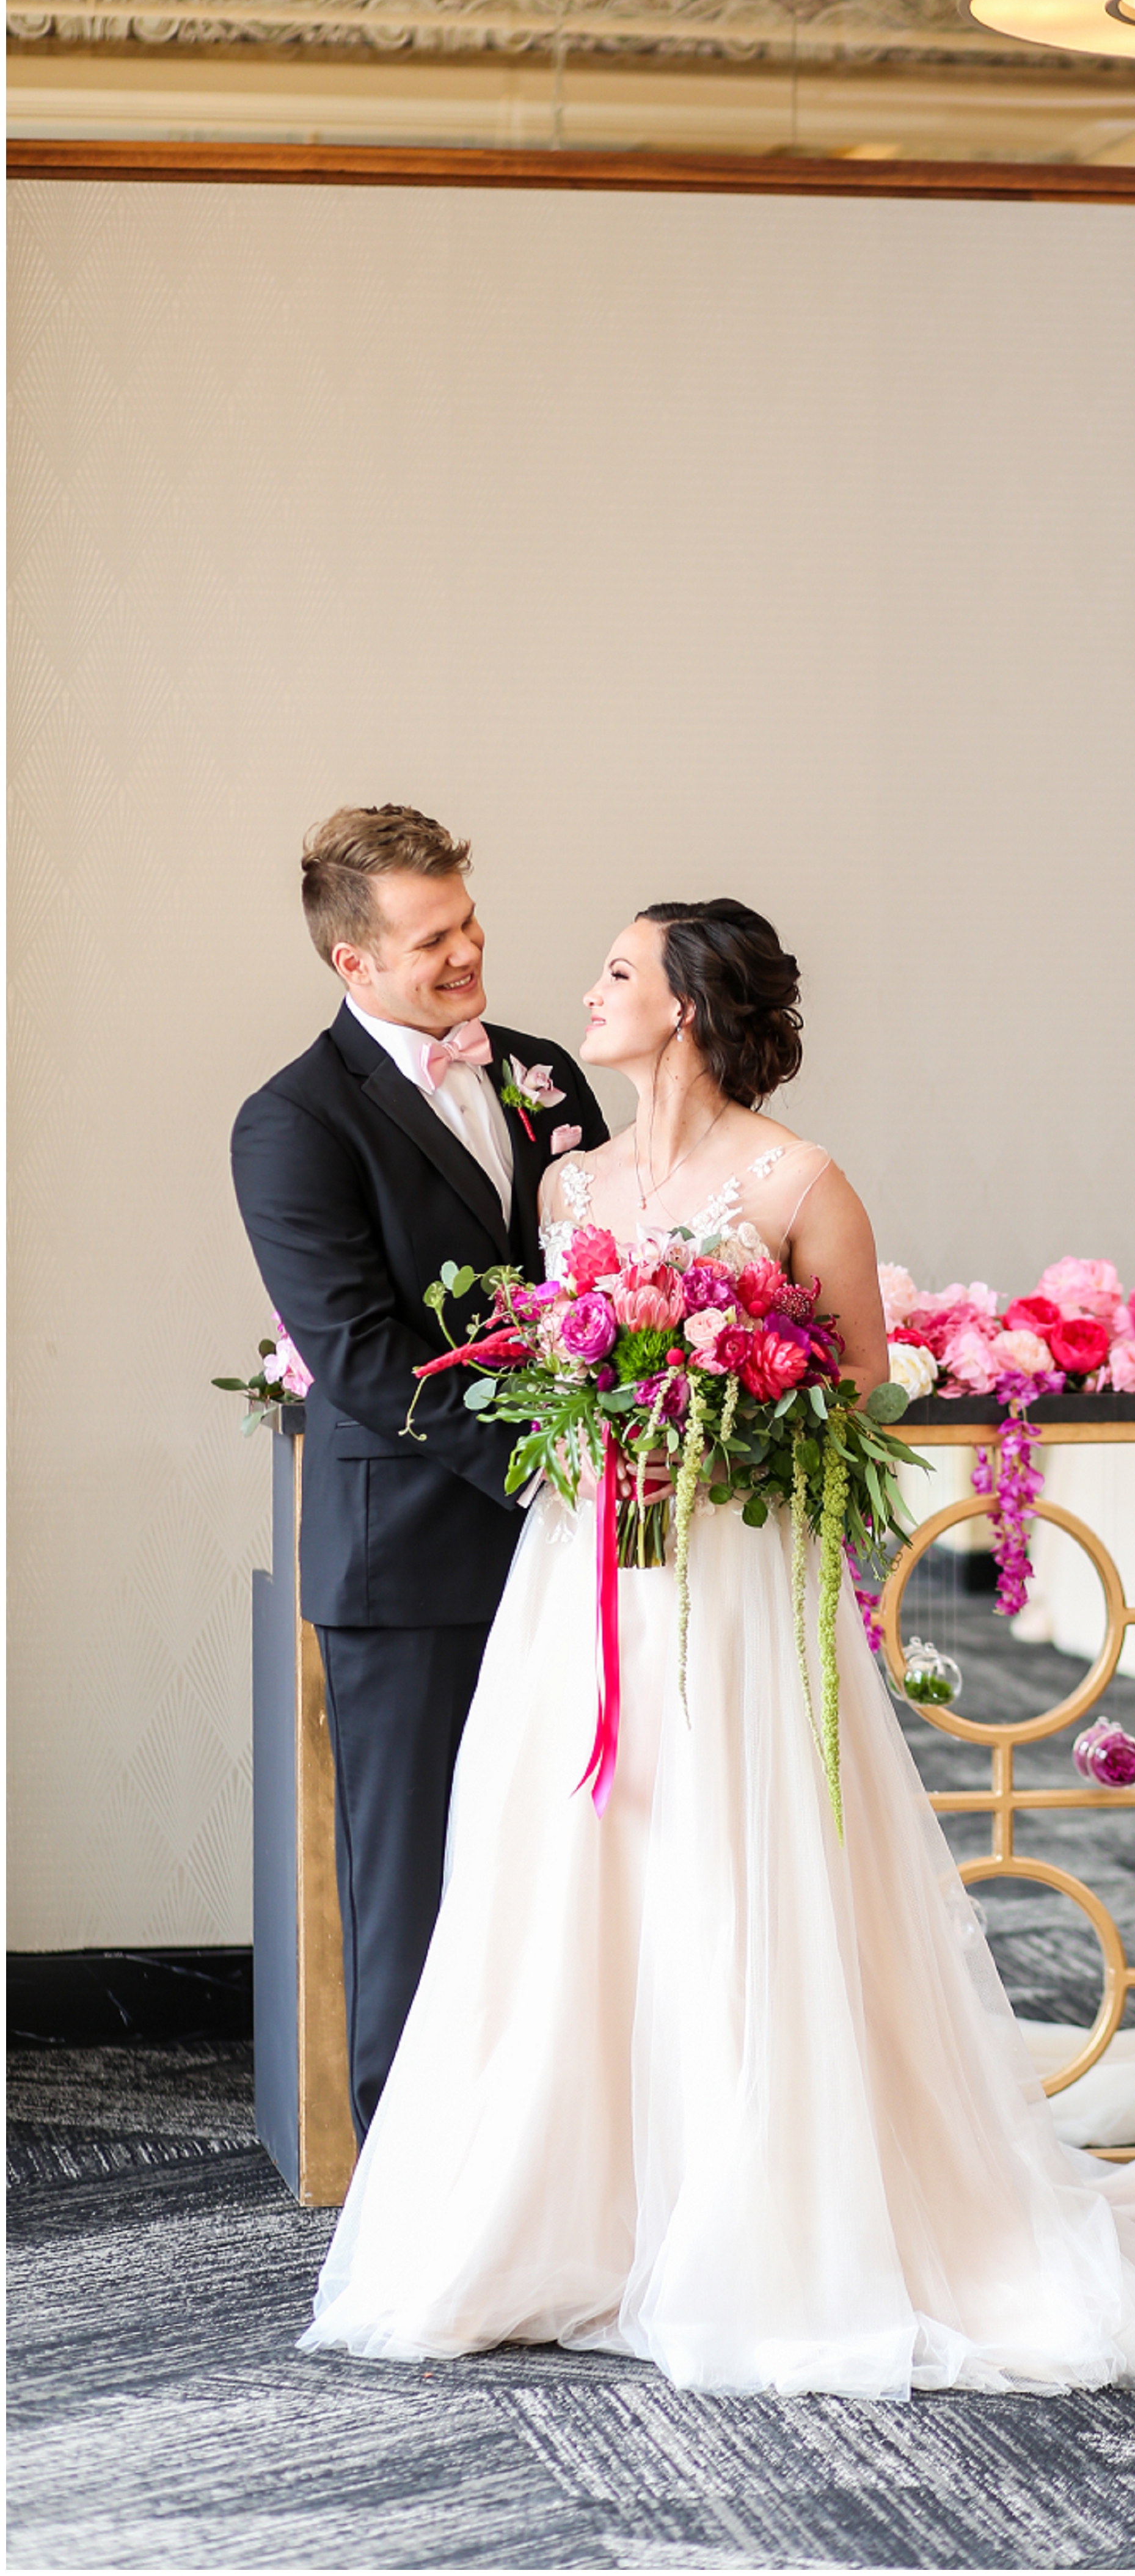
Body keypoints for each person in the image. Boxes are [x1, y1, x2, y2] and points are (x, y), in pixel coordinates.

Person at [301, 897, 1135, 2394]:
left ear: (687, 1006)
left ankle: (763, 2216)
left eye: (615, 971)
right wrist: (604, 1412)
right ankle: (583, 2210)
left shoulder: (803, 1180)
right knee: (570, 1864)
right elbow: (532, 1355)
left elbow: (859, 1392)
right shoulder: (570, 1188)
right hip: (587, 1570)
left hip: (731, 1575)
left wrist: (724, 1421)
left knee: (739, 1860)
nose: (582, 988)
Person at [231, 806, 608, 2140]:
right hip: (415, 1555)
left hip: (575, 1552)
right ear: (355, 961)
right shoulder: (289, 1123)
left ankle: (561, 2164)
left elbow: (600, 1285)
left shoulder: (550, 1071)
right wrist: (556, 1467)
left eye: (470, 919)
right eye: (434, 935)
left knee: (569, 1872)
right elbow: (361, 1354)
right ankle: (412, 2189)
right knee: (418, 1889)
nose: (469, 950)